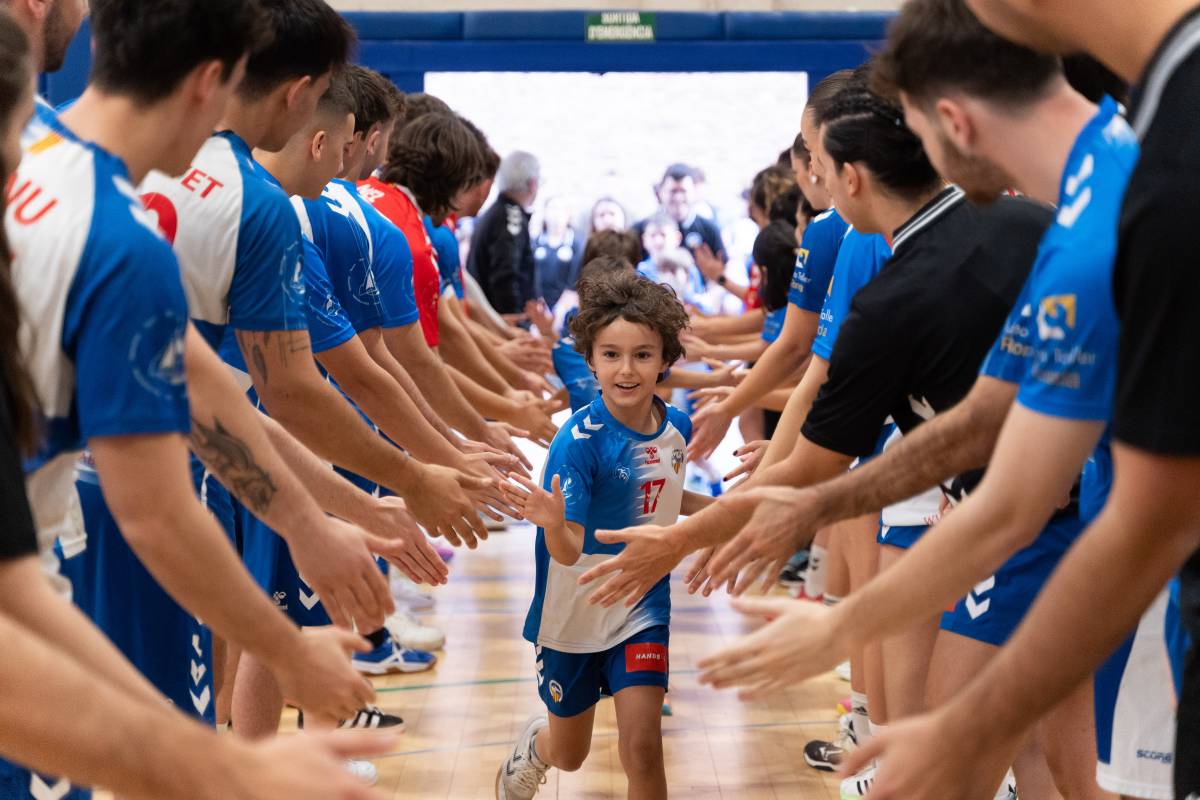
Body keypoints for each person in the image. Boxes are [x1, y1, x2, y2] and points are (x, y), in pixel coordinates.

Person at [698, 5, 1148, 798]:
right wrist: (815, 529)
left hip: (1128, 550)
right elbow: (988, 431)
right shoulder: (1074, 202)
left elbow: (1124, 501)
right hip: (1078, 525)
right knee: (1050, 760)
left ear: (948, 121)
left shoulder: (1096, 215)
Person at [0, 11, 395, 799]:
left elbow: (197, 380)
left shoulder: (40, 146)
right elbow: (156, 508)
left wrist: (317, 522)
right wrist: (283, 651)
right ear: (212, 81)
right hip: (76, 546)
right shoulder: (120, 237)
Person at [495, 269, 713, 800]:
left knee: (643, 748)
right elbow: (568, 548)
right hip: (573, 612)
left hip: (641, 604)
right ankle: (537, 749)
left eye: (643, 354)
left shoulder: (675, 428)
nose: (627, 368)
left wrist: (738, 515)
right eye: (611, 354)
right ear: (589, 360)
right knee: (572, 754)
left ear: (665, 360)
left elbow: (668, 496)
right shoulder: (578, 442)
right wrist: (551, 521)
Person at [468, 150, 541, 315]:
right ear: (532, 184)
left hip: (488, 318)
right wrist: (515, 324)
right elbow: (505, 277)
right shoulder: (510, 218)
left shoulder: (497, 213)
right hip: (500, 323)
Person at [534, 195, 581, 307]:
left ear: (569, 214)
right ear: (544, 213)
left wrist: (562, 307)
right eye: (552, 208)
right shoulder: (535, 243)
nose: (556, 214)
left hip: (567, 306)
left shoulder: (577, 244)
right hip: (538, 305)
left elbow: (575, 279)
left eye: (562, 209)